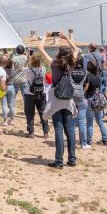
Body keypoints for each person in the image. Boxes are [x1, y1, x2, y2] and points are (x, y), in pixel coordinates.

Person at [38, 32, 79, 168]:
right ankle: (72, 159)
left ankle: (59, 161)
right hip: (68, 99)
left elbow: (40, 48)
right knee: (70, 130)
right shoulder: (71, 63)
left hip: (56, 99)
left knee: (58, 129)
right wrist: (66, 37)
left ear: (59, 54)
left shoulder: (54, 63)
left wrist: (46, 36)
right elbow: (76, 49)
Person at [22, 54, 49, 139]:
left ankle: (31, 132)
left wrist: (27, 60)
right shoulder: (43, 69)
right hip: (41, 92)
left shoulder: (27, 70)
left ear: (31, 61)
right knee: (42, 112)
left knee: (29, 113)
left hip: (29, 93)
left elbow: (22, 67)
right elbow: (42, 65)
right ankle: (45, 132)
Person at [84, 59, 107, 147]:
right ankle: (105, 139)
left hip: (90, 99)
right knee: (100, 121)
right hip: (99, 99)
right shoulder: (99, 76)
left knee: (90, 122)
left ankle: (89, 141)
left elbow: (86, 88)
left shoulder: (88, 76)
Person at [70, 54, 88, 148]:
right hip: (81, 94)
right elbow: (87, 84)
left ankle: (72, 141)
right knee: (81, 121)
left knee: (72, 121)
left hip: (72, 95)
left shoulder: (71, 71)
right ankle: (83, 143)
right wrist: (83, 91)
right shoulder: (85, 72)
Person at [0, 56, 16, 127]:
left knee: (4, 105)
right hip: (11, 87)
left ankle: (5, 121)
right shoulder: (13, 68)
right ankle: (12, 119)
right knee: (11, 105)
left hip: (4, 87)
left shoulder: (2, 69)